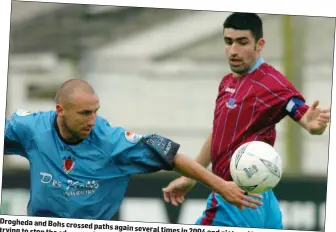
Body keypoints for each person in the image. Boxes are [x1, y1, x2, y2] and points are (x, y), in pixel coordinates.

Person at [3, 79, 262, 220]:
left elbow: (172, 156)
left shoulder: (112, 142)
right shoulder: (31, 128)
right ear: (60, 110)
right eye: (84, 113)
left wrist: (221, 185)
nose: (92, 120)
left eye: (95, 111)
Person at [162, 12, 330, 229]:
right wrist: (192, 176)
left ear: (260, 44)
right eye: (228, 42)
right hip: (258, 199)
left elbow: (301, 112)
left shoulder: (272, 83)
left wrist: (312, 123)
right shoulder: (227, 82)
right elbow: (220, 132)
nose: (233, 51)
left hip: (237, 197)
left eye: (242, 43)